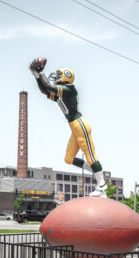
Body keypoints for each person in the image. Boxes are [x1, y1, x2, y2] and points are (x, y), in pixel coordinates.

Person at [29, 58, 107, 197]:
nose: (56, 77)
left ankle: (101, 185)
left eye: (59, 75)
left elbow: (49, 86)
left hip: (80, 125)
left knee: (91, 156)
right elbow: (44, 90)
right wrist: (36, 74)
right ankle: (96, 172)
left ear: (67, 77)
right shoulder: (63, 92)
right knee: (69, 158)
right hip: (74, 128)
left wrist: (41, 73)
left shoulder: (69, 89)